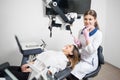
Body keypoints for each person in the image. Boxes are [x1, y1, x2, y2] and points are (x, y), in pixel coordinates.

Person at [0, 44, 80, 80]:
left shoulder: (62, 61)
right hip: (29, 68)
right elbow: (41, 58)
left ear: (71, 53)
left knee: (4, 71)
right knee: (6, 68)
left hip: (31, 75)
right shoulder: (57, 53)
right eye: (68, 45)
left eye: (69, 47)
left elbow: (50, 71)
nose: (67, 45)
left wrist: (31, 70)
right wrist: (29, 64)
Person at [66, 9, 103, 80]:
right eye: (85, 19)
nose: (87, 21)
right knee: (67, 68)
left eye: (90, 19)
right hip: (81, 58)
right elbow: (80, 47)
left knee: (73, 72)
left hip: (90, 62)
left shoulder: (98, 34)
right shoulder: (81, 31)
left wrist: (87, 37)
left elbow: (91, 51)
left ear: (95, 20)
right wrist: (78, 43)